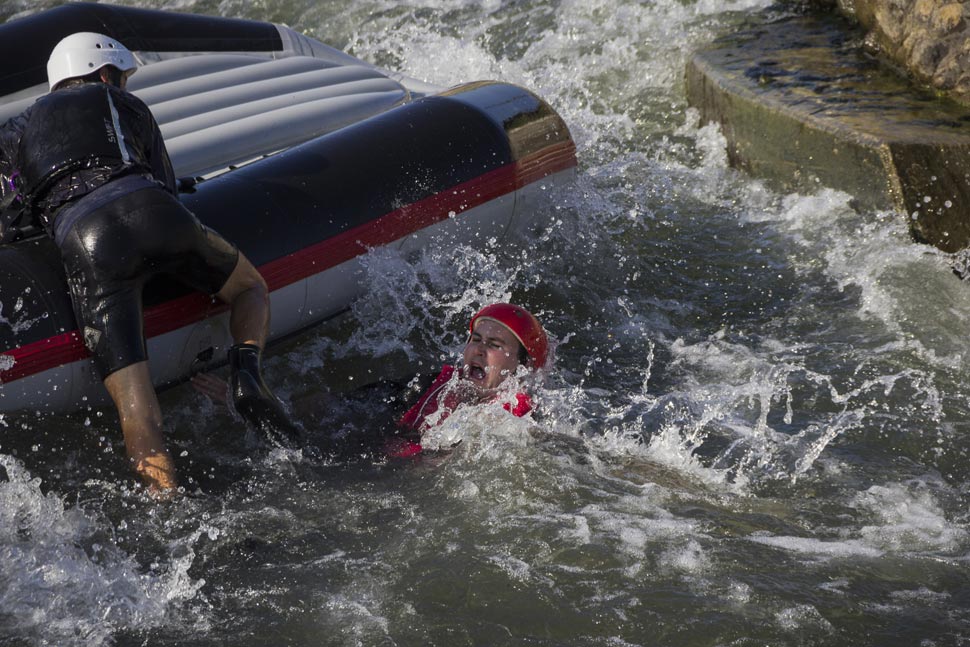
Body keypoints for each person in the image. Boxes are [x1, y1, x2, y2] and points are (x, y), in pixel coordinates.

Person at [0, 33, 296, 495]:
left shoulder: (12, 131)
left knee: (138, 414)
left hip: (87, 238)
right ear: (104, 75)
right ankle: (247, 371)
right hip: (154, 212)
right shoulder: (117, 100)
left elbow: (12, 221)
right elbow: (164, 181)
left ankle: (166, 507)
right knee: (249, 287)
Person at [192, 302, 550, 458]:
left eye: (495, 345)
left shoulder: (518, 418)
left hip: (406, 479)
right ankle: (251, 409)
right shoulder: (437, 381)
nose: (479, 350)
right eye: (475, 340)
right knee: (322, 403)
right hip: (383, 444)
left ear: (520, 366)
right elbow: (364, 401)